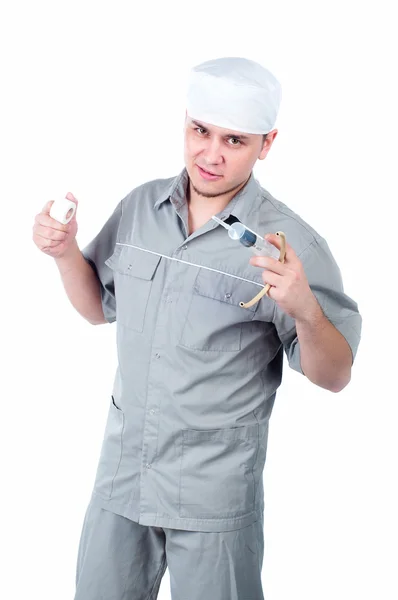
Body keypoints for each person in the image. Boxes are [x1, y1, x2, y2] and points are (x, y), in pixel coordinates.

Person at [33, 57, 362, 600]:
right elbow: (98, 310)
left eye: (234, 140)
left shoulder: (291, 245)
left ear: (267, 143)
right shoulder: (141, 206)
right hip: (122, 479)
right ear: (185, 121)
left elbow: (336, 376)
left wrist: (305, 309)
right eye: (200, 131)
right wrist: (66, 253)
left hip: (213, 497)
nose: (211, 154)